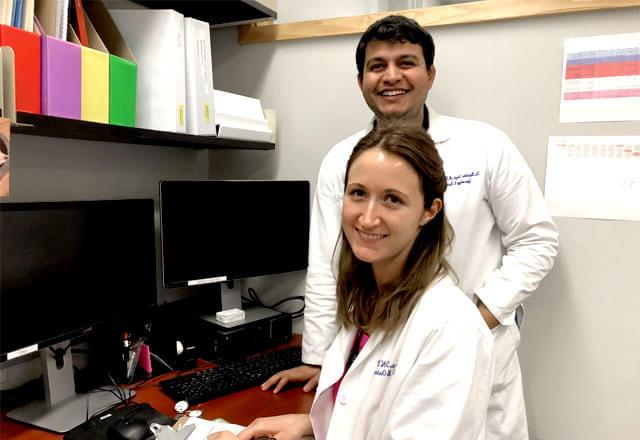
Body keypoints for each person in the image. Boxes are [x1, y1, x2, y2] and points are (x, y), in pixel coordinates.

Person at [261, 15, 559, 439]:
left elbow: (537, 239)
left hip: (463, 344)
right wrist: (317, 358)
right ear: (361, 79)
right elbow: (328, 262)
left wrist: (478, 317)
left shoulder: (485, 146)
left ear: (430, 74)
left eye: (406, 62)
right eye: (377, 65)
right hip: (377, 347)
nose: (391, 76)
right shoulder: (340, 160)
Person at [210, 125, 494, 440]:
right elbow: (365, 417)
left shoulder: (452, 329)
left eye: (392, 199)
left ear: (429, 210)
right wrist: (313, 427)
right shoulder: (365, 298)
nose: (368, 217)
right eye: (358, 193)